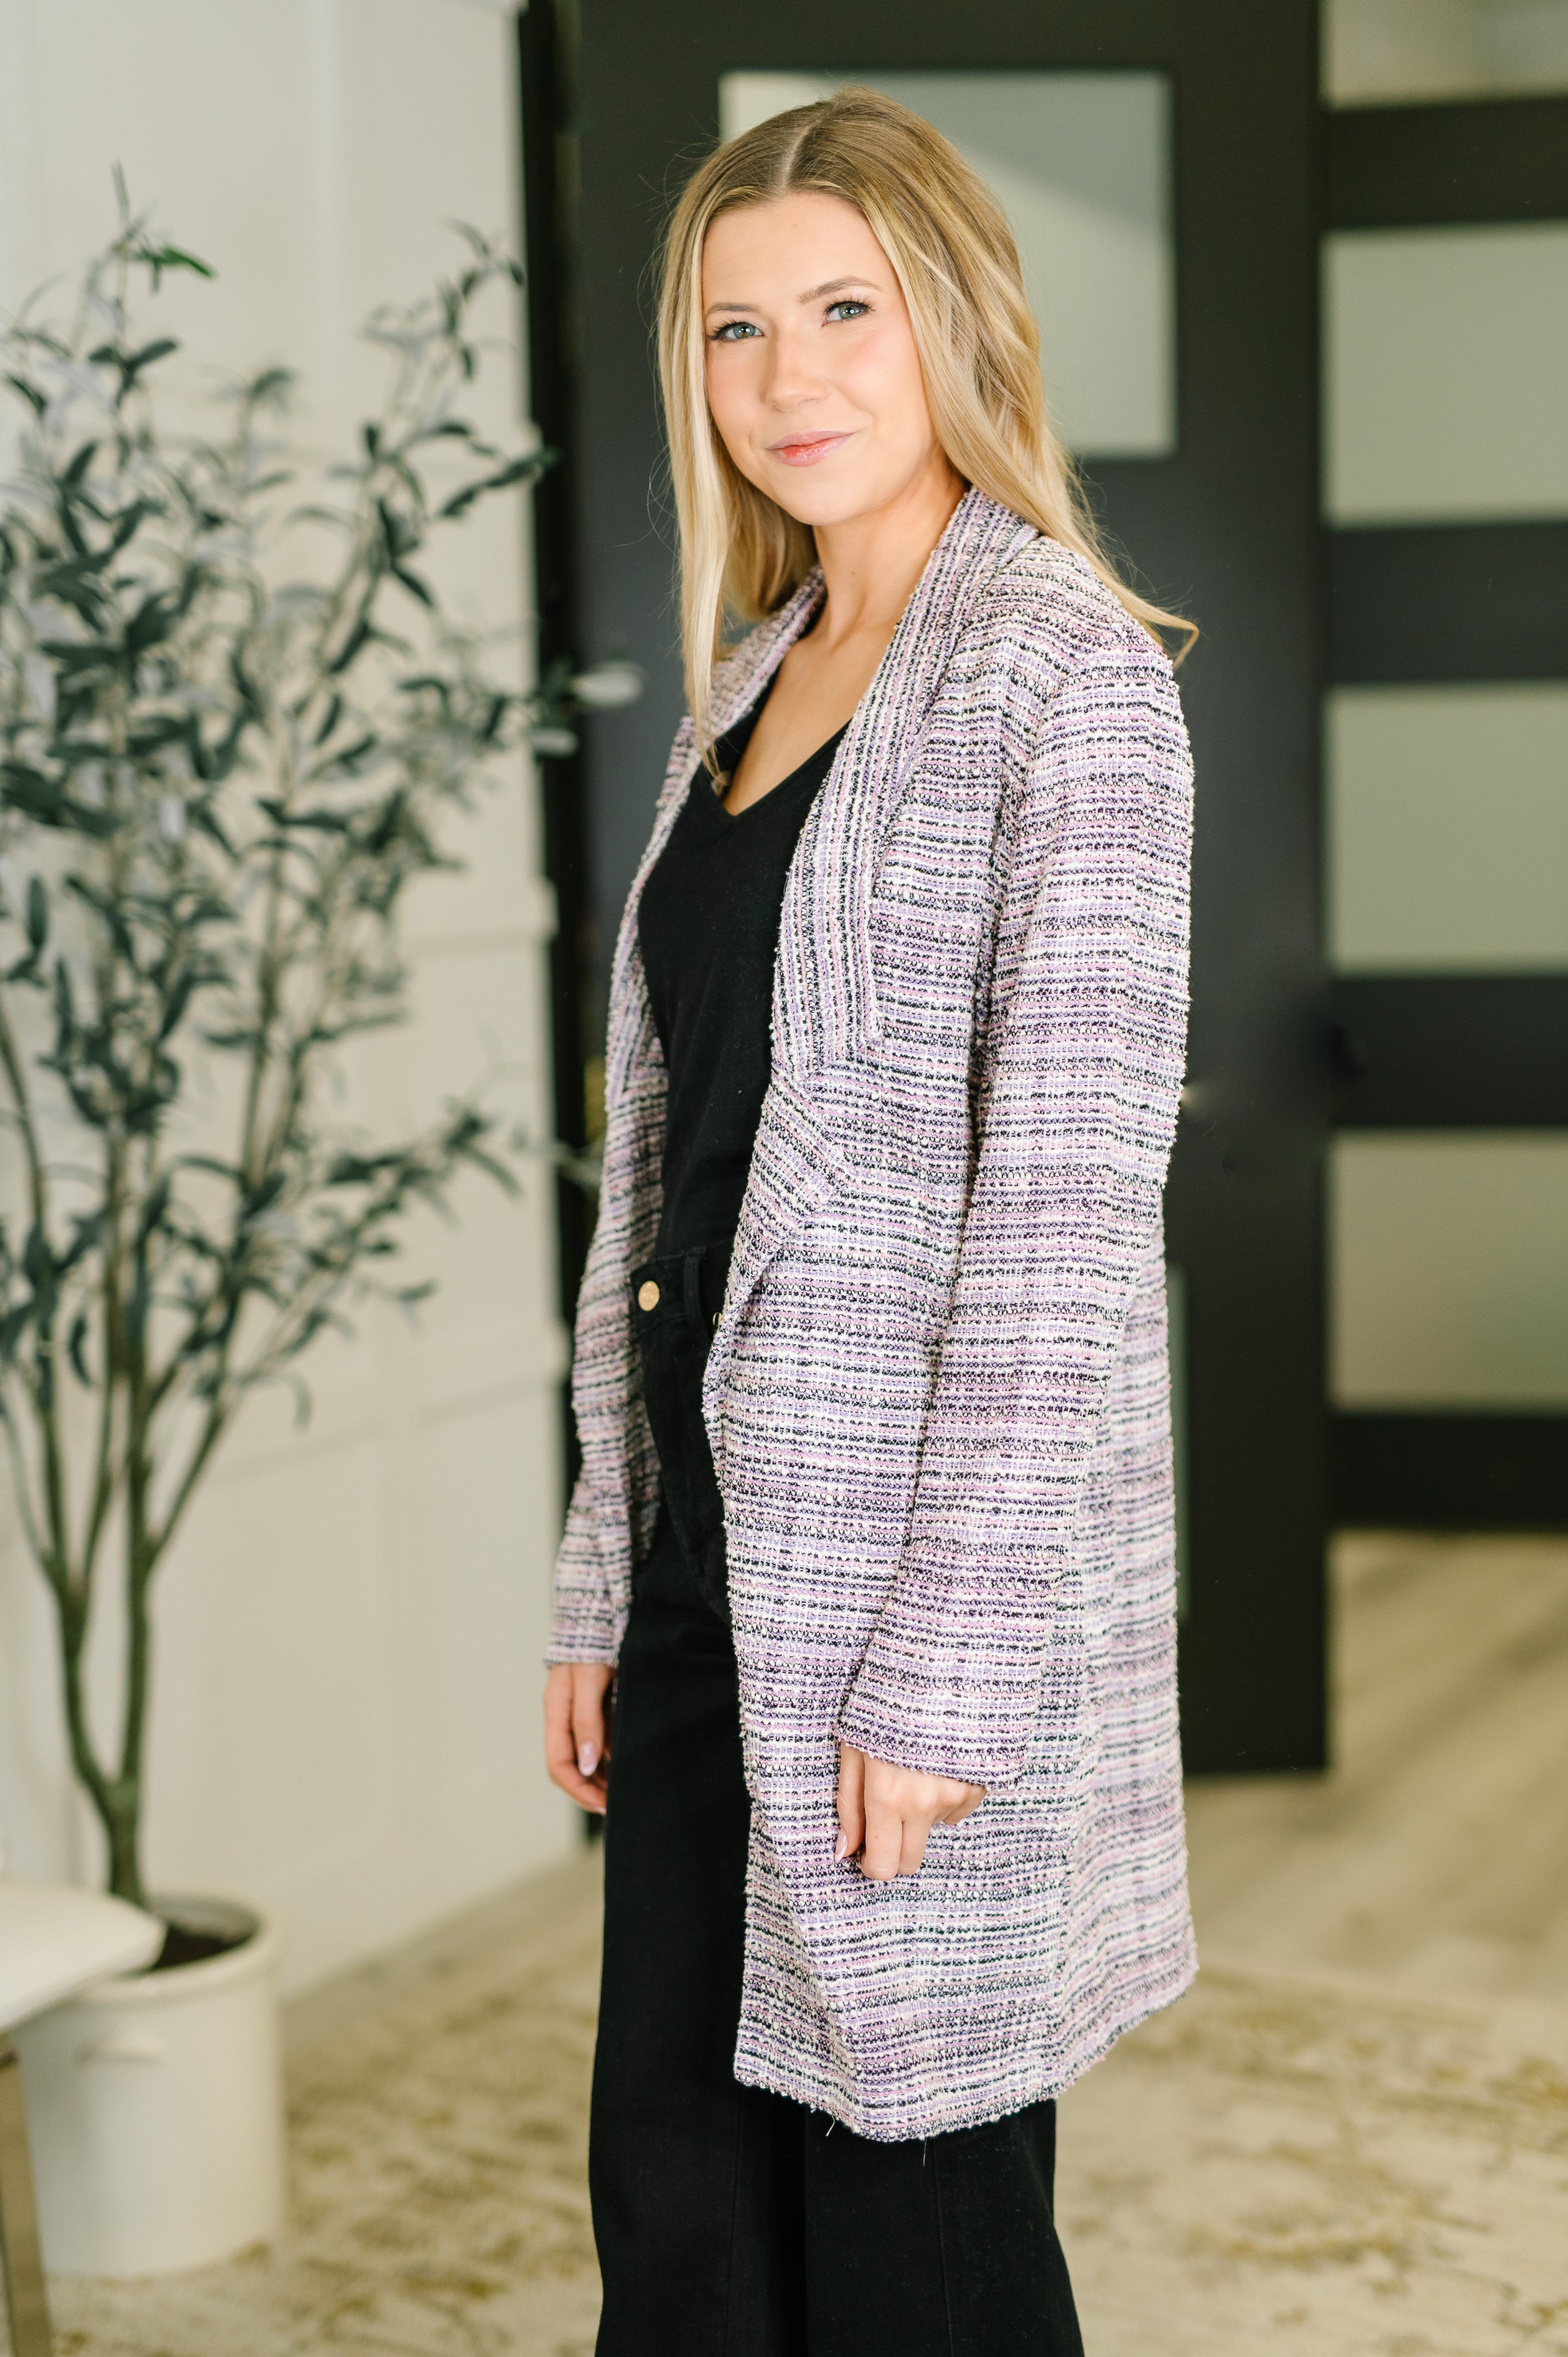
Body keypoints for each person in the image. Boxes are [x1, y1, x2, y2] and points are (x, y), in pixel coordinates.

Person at [544, 85, 1196, 2357]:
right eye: (737, 330)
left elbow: (1063, 1227)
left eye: (842, 309)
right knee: (682, 2204)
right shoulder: (742, 683)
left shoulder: (1067, 676)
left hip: (905, 1605)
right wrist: (598, 1573)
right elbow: (658, 1176)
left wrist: (944, 1660)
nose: (790, 377)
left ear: (954, 320)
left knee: (916, 2243)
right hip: (709, 1572)